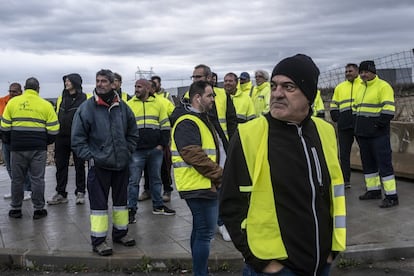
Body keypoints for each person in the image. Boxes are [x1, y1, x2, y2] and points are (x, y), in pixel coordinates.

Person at [220, 54, 346, 276]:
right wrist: (261, 262)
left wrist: (331, 251)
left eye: (289, 86)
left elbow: (333, 194)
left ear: (309, 95)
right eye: (274, 85)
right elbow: (231, 205)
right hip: (275, 268)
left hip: (321, 263)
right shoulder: (249, 135)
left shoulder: (325, 131)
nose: (277, 93)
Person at [71, 69, 139, 256]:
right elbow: (77, 139)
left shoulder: (123, 107)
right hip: (99, 166)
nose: (99, 84)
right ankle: (99, 241)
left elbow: (133, 132)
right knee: (99, 207)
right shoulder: (87, 108)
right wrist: (91, 157)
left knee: (121, 204)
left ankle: (120, 234)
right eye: (97, 81)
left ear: (112, 84)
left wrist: (127, 150)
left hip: (121, 165)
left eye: (104, 81)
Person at [171, 80, 222, 276]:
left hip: (201, 183)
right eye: (210, 95)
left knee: (200, 230)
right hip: (198, 184)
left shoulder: (199, 118)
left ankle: (199, 271)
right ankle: (201, 273)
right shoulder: (187, 121)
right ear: (197, 98)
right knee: (205, 233)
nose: (213, 99)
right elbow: (193, 155)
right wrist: (219, 174)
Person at [2, 77, 60, 220]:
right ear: (38, 89)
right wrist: (45, 142)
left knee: (17, 179)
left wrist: (11, 141)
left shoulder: (13, 103)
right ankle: (39, 210)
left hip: (17, 148)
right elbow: (54, 129)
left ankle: (15, 209)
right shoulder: (45, 105)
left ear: (25, 88)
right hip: (38, 149)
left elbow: (4, 127)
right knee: (37, 179)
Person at [127, 79, 175, 224]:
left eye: (139, 87)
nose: (136, 89)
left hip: (155, 150)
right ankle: (131, 210)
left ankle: (158, 206)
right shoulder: (129, 105)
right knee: (133, 181)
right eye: (135, 86)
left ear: (148, 89)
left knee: (156, 179)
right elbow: (124, 127)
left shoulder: (159, 104)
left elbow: (165, 126)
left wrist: (161, 145)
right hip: (136, 151)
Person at [353, 60, 399, 208]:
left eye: (366, 72)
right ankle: (373, 191)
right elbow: (356, 109)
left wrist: (376, 125)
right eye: (361, 72)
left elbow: (389, 110)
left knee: (384, 164)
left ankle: (391, 196)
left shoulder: (383, 86)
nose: (363, 75)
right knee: (368, 164)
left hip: (378, 134)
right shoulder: (360, 88)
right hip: (363, 134)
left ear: (373, 72)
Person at [48, 74, 87, 205]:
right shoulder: (61, 98)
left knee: (79, 166)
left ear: (75, 82)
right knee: (60, 166)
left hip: (78, 137)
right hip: (61, 137)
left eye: (69, 80)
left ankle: (80, 192)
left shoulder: (84, 99)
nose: (66, 82)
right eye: (65, 80)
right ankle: (60, 193)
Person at [140, 80, 175, 203]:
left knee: (164, 168)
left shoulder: (163, 102)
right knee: (147, 169)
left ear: (152, 89)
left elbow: (174, 116)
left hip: (161, 142)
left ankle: (167, 190)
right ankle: (147, 190)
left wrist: (164, 141)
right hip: (144, 144)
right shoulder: (137, 102)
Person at [330, 63, 361, 189]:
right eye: (346, 71)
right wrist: (337, 117)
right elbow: (334, 104)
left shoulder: (363, 85)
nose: (348, 73)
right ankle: (345, 180)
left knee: (366, 152)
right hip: (344, 125)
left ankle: (373, 179)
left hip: (360, 124)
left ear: (357, 72)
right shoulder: (340, 87)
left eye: (350, 71)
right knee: (343, 154)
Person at [1, 83, 32, 201]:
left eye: (14, 91)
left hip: (19, 141)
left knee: (21, 167)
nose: (11, 94)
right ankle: (17, 189)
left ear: (20, 92)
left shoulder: (23, 103)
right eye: (10, 91)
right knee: (9, 166)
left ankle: (27, 189)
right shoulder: (3, 102)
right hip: (6, 140)